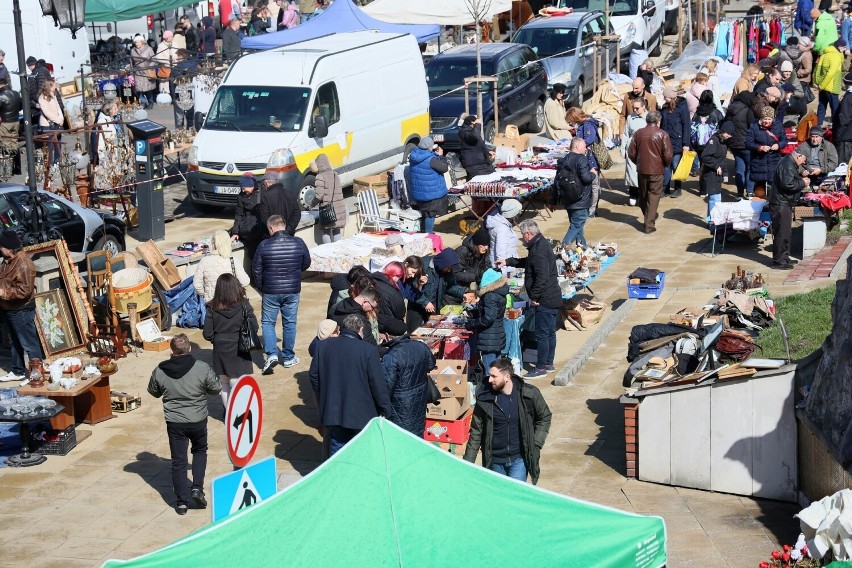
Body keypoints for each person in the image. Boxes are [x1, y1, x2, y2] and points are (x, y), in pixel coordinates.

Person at [147, 334, 220, 515]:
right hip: (198, 421)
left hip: (175, 423)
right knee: (200, 451)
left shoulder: (160, 370)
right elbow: (216, 388)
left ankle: (181, 503)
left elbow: (154, 392)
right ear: (190, 349)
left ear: (171, 351)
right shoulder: (201, 368)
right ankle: (196, 488)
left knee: (179, 461)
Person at [309, 314, 394, 457]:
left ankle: (339, 476)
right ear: (360, 330)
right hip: (361, 412)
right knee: (362, 450)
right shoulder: (368, 350)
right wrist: (385, 409)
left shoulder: (323, 347)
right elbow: (377, 384)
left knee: (337, 449)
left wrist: (324, 395)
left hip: (333, 410)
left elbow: (314, 376)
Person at [463, 358, 552, 484]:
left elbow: (545, 417)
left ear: (507, 376)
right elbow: (476, 432)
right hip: (494, 461)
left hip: (519, 460)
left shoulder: (528, 394)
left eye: (494, 376)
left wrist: (536, 443)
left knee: (516, 498)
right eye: (490, 375)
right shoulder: (485, 398)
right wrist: (467, 464)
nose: (489, 380)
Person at [497, 220, 562, 379]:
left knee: (542, 335)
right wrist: (509, 261)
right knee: (549, 333)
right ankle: (548, 363)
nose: (522, 239)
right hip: (552, 296)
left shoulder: (539, 249)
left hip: (545, 299)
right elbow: (529, 262)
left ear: (528, 234)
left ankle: (541, 368)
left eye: (522, 235)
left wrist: (535, 297)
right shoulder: (539, 245)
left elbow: (542, 277)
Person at [253, 215, 311, 374]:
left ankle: (271, 353)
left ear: (271, 228)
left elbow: (256, 270)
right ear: (284, 226)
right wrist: (294, 273)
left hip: (271, 291)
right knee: (290, 323)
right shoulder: (298, 242)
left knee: (268, 323)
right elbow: (306, 262)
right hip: (292, 290)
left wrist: (262, 288)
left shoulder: (264, 245)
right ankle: (288, 357)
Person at [202, 273, 258, 408]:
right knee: (238, 381)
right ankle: (239, 410)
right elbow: (254, 327)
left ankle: (229, 413)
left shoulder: (212, 307)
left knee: (224, 383)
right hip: (240, 347)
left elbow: (207, 333)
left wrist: (218, 339)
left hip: (221, 349)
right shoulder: (244, 305)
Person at [0, 231, 42, 382]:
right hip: (9, 308)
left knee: (29, 343)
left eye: (2, 247)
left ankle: (36, 373)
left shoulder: (24, 264)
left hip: (21, 309)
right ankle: (18, 371)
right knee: (14, 341)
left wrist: (3, 292)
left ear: (9, 248)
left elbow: (24, 291)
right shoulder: (7, 261)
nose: (0, 249)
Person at [381, 333, 436, 437]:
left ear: (387, 335)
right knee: (418, 435)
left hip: (400, 405)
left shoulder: (391, 356)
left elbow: (386, 387)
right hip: (419, 399)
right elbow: (431, 364)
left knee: (401, 439)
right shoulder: (420, 346)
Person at [628, 111, 674, 234]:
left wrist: (639, 162)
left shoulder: (638, 133)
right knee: (653, 196)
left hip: (642, 169)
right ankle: (649, 223)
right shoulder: (662, 134)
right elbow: (668, 155)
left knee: (643, 195)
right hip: (657, 170)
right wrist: (664, 165)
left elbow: (631, 153)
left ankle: (648, 217)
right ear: (658, 121)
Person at [553, 137, 596, 246]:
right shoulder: (581, 159)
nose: (586, 148)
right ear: (577, 146)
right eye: (584, 146)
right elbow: (586, 178)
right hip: (581, 200)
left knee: (577, 226)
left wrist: (553, 201)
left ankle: (583, 248)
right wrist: (593, 173)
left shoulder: (563, 160)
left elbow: (556, 181)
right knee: (576, 226)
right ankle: (564, 247)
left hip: (568, 200)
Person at [770, 148, 809, 269]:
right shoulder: (787, 165)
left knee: (786, 232)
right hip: (780, 203)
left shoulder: (789, 163)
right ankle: (779, 261)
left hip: (783, 202)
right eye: (804, 160)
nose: (803, 163)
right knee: (782, 233)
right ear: (798, 156)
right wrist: (803, 183)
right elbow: (788, 184)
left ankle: (784, 258)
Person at [464, 268, 509, 370]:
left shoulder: (490, 296)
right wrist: (473, 313)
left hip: (489, 338)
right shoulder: (499, 293)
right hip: (496, 335)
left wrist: (471, 324)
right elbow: (491, 312)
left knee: (490, 371)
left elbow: (488, 318)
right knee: (497, 370)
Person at [193, 230, 250, 303]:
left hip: (212, 303)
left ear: (213, 244)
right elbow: (245, 282)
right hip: (231, 301)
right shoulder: (233, 261)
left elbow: (197, 284)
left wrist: (206, 294)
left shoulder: (204, 261)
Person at [566, 107, 602, 215]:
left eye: (570, 121)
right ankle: (591, 208)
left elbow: (589, 140)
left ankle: (592, 209)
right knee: (590, 185)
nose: (570, 123)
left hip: (590, 160)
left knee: (594, 185)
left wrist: (576, 145)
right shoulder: (584, 124)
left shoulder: (587, 125)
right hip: (587, 158)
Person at [408, 136, 449, 233]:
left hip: (419, 193)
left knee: (424, 214)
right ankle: (428, 235)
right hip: (431, 193)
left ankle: (423, 233)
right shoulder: (432, 159)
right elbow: (444, 168)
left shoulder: (413, 156)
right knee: (430, 215)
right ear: (430, 147)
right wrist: (441, 156)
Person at [746, 107, 787, 197]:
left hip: (774, 161)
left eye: (769, 119)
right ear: (761, 118)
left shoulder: (778, 126)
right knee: (759, 191)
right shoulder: (754, 127)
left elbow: (784, 140)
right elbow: (748, 143)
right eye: (765, 119)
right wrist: (760, 147)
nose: (767, 121)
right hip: (758, 162)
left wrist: (778, 145)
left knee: (774, 190)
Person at [690, 90, 724, 190]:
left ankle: (703, 189)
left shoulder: (697, 113)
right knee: (714, 165)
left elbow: (692, 128)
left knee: (702, 166)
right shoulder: (716, 113)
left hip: (699, 144)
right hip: (713, 144)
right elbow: (721, 127)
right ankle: (712, 187)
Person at [700, 121, 735, 219]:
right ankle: (713, 221)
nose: (729, 136)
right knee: (715, 199)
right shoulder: (713, 141)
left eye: (731, 134)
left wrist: (725, 173)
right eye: (728, 133)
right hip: (711, 174)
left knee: (714, 198)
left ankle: (710, 219)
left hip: (717, 175)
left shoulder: (723, 142)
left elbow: (722, 159)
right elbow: (705, 156)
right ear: (722, 131)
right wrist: (715, 166)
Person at [660, 87, 691, 197]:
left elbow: (686, 126)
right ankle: (665, 187)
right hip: (666, 142)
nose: (664, 98)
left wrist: (686, 144)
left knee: (676, 165)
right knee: (666, 165)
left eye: (665, 97)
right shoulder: (664, 108)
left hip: (678, 141)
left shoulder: (682, 108)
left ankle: (678, 188)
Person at [311, 153, 346, 243]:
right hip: (339, 208)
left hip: (327, 209)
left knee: (326, 231)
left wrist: (312, 204)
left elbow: (319, 195)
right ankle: (337, 251)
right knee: (336, 230)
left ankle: (328, 252)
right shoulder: (335, 174)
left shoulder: (320, 176)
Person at [230, 174, 263, 263]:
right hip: (249, 231)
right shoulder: (241, 196)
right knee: (252, 255)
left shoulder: (262, 193)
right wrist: (235, 232)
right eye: (242, 188)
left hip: (261, 231)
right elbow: (239, 214)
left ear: (251, 185)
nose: (243, 190)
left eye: (244, 188)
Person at [622, 97, 649, 207]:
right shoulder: (630, 117)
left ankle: (643, 194)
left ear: (643, 107)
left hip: (645, 149)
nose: (635, 110)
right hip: (632, 148)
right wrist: (623, 148)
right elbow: (625, 133)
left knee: (643, 172)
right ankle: (633, 193)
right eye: (633, 108)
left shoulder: (649, 117)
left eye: (637, 108)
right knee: (632, 172)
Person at [258, 171, 301, 237]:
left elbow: (264, 218)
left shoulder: (266, 196)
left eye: (264, 184)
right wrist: (288, 230)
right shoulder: (289, 193)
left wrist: (274, 232)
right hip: (289, 235)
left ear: (267, 183)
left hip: (272, 236)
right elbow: (297, 213)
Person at [371, 262, 408, 337]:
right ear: (395, 275)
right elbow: (400, 313)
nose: (398, 280)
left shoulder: (370, 280)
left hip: (372, 322)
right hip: (388, 325)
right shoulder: (392, 292)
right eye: (399, 277)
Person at [815, 39, 844, 125]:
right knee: (835, 109)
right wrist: (822, 86)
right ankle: (835, 127)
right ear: (839, 47)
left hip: (822, 87)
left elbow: (817, 70)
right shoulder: (837, 57)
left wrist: (817, 83)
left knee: (821, 106)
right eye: (843, 47)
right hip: (832, 87)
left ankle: (818, 125)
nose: (845, 49)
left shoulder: (824, 55)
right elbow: (830, 73)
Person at [168, 49, 198, 129]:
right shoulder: (194, 66)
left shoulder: (175, 68)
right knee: (190, 116)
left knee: (179, 116)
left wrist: (173, 96)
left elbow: (171, 84)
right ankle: (190, 131)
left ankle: (180, 133)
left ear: (180, 56)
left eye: (177, 56)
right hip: (191, 94)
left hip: (179, 95)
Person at [485, 201, 519, 268]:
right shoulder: (502, 229)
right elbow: (501, 253)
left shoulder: (498, 221)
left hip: (505, 260)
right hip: (504, 265)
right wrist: (503, 271)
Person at [36, 78, 63, 164]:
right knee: (50, 145)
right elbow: (46, 112)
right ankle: (50, 165)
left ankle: (57, 163)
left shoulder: (53, 94)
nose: (55, 87)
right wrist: (57, 120)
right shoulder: (42, 97)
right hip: (47, 124)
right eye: (54, 85)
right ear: (49, 86)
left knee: (58, 144)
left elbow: (58, 107)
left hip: (57, 122)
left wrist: (61, 118)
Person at [0, 77, 22, 174]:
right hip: (16, 120)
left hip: (5, 122)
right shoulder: (16, 93)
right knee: (14, 143)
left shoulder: (1, 95)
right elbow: (21, 105)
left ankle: (7, 169)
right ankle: (17, 168)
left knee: (5, 144)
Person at [130, 36, 156, 109]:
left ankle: (150, 103)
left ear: (142, 42)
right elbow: (131, 61)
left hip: (147, 71)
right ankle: (143, 102)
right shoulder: (133, 50)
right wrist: (131, 70)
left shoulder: (149, 49)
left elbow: (154, 59)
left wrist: (149, 67)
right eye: (135, 42)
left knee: (148, 89)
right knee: (138, 89)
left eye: (138, 42)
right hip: (137, 72)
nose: (136, 43)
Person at [832, 72, 852, 164]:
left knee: (843, 166)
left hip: (846, 136)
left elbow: (844, 119)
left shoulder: (848, 98)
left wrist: (838, 136)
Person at [25, 56, 51, 123]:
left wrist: (35, 102)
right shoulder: (42, 70)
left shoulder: (38, 72)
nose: (28, 68)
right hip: (45, 103)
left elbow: (41, 88)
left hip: (41, 104)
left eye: (29, 65)